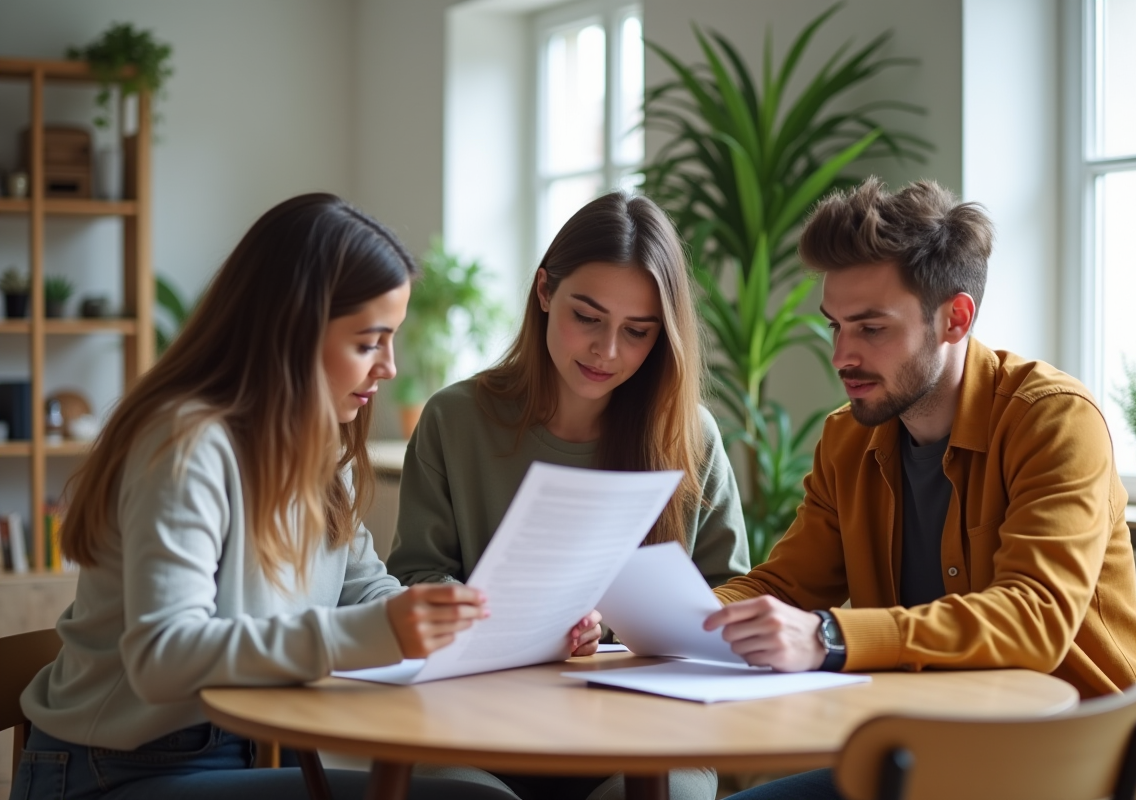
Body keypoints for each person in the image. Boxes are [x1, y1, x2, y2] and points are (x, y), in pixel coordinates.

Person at [14, 194, 518, 800]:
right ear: (292, 332)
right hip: (114, 772)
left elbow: (364, 590)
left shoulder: (321, 448)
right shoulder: (185, 445)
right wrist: (377, 631)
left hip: (231, 752)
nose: (387, 367)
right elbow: (163, 655)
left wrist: (478, 623)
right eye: (368, 342)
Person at [706, 178, 1136, 800]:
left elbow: (1034, 618)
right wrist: (652, 620)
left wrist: (829, 638)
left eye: (871, 329)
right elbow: (783, 587)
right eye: (835, 327)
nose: (842, 356)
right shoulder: (848, 440)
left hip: (1085, 766)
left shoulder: (1052, 420)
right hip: (929, 762)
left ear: (955, 318)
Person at [387, 191, 750, 800]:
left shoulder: (690, 437)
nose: (607, 351)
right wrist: (519, 620)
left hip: (646, 736)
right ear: (544, 291)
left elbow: (729, 599)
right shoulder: (455, 419)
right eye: (587, 317)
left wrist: (611, 633)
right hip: (478, 728)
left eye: (637, 332)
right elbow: (414, 580)